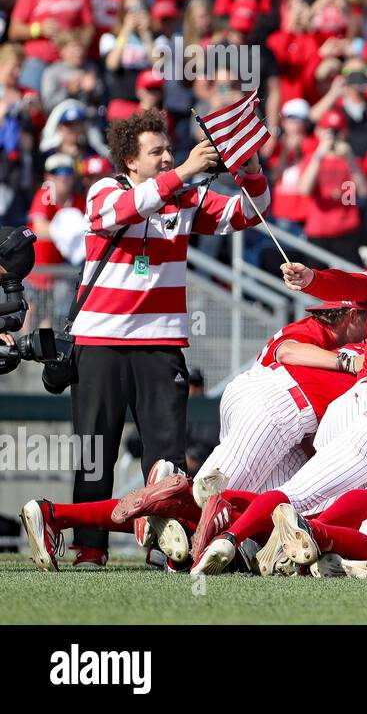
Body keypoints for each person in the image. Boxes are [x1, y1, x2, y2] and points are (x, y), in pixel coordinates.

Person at [67, 109, 269, 565]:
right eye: (155, 152)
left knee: (167, 458)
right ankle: (87, 547)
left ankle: (166, 548)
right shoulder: (105, 190)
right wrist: (185, 171)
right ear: (130, 161)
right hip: (100, 342)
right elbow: (119, 212)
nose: (166, 157)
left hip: (161, 344)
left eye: (168, 149)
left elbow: (247, 214)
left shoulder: (185, 197)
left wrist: (250, 166)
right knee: (94, 452)